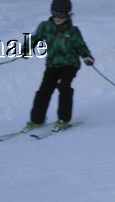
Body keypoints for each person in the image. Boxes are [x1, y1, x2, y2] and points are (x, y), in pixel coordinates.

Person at [25, 0, 94, 132]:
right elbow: (34, 38)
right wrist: (26, 49)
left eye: (62, 15)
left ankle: (63, 119)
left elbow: (80, 46)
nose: (57, 18)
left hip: (70, 64)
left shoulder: (73, 31)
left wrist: (86, 56)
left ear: (68, 15)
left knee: (64, 87)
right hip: (52, 64)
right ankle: (37, 120)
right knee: (44, 90)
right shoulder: (44, 26)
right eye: (55, 13)